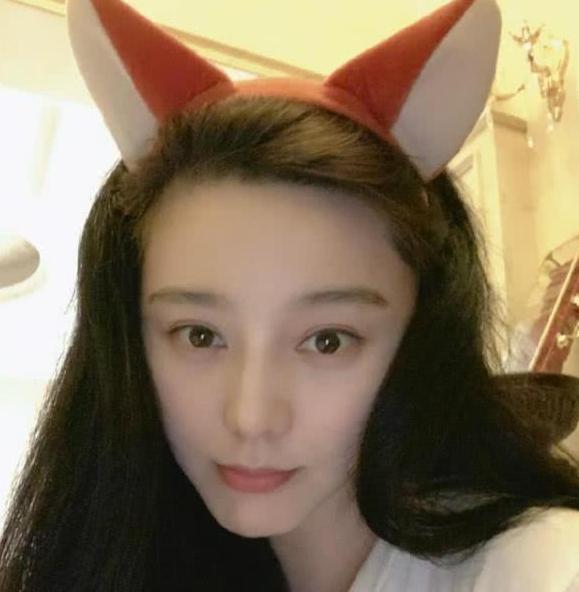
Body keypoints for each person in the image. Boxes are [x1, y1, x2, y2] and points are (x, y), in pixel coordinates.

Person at [1, 0, 579, 590]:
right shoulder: (130, 559)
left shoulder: (539, 570)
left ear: (422, 335)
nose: (251, 417)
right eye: (199, 335)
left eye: (328, 341)